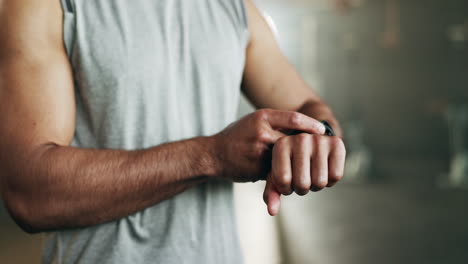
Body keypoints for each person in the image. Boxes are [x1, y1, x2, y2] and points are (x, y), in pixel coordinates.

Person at [0, 0, 346, 263]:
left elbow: (309, 107)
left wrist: (317, 139)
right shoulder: (45, 5)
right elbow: (29, 192)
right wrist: (211, 156)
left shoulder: (233, 7)